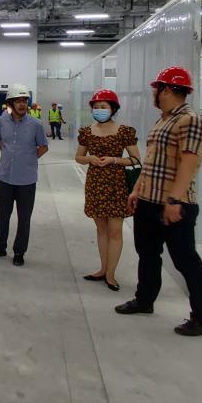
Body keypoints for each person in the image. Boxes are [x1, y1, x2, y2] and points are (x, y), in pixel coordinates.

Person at [115, 66, 202, 337]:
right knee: (148, 254)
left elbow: (189, 163)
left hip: (174, 205)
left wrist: (174, 200)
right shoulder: (163, 120)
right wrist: (137, 190)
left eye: (156, 89)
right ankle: (144, 300)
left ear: (167, 90)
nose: (154, 94)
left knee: (185, 261)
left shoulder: (190, 121)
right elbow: (150, 163)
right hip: (149, 201)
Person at [74, 89, 140, 292]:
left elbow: (136, 159)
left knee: (115, 231)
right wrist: (90, 159)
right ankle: (103, 269)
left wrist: (114, 160)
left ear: (113, 109)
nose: (99, 110)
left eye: (103, 107)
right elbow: (78, 157)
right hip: (95, 184)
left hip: (116, 185)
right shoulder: (87, 131)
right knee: (101, 229)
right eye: (96, 107)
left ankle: (111, 274)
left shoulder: (124, 131)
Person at [0, 83, 49, 266]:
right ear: (10, 103)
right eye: (18, 101)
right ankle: (0, 247)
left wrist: (28, 158)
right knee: (2, 215)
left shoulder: (36, 124)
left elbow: (43, 147)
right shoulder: (2, 122)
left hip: (26, 180)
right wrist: (8, 155)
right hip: (5, 177)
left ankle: (19, 252)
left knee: (24, 218)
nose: (22, 104)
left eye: (24, 101)